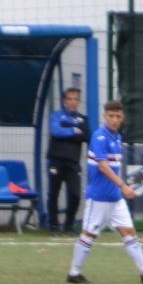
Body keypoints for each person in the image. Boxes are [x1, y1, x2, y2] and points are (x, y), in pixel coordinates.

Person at [66, 99, 143, 284]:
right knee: (89, 235)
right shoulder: (99, 137)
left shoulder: (117, 137)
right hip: (99, 198)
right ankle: (73, 273)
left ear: (123, 118)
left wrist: (124, 186)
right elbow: (103, 167)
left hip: (115, 198)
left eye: (118, 116)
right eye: (111, 116)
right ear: (104, 116)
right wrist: (123, 185)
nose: (114, 119)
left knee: (129, 232)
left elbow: (113, 167)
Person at [46, 86, 89, 234]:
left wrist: (70, 129)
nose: (72, 102)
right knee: (53, 194)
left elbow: (86, 136)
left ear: (78, 101)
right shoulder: (56, 115)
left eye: (75, 99)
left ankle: (68, 226)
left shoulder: (83, 118)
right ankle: (53, 226)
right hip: (55, 161)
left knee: (75, 195)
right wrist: (74, 130)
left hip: (73, 163)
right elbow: (55, 131)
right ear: (65, 100)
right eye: (70, 99)